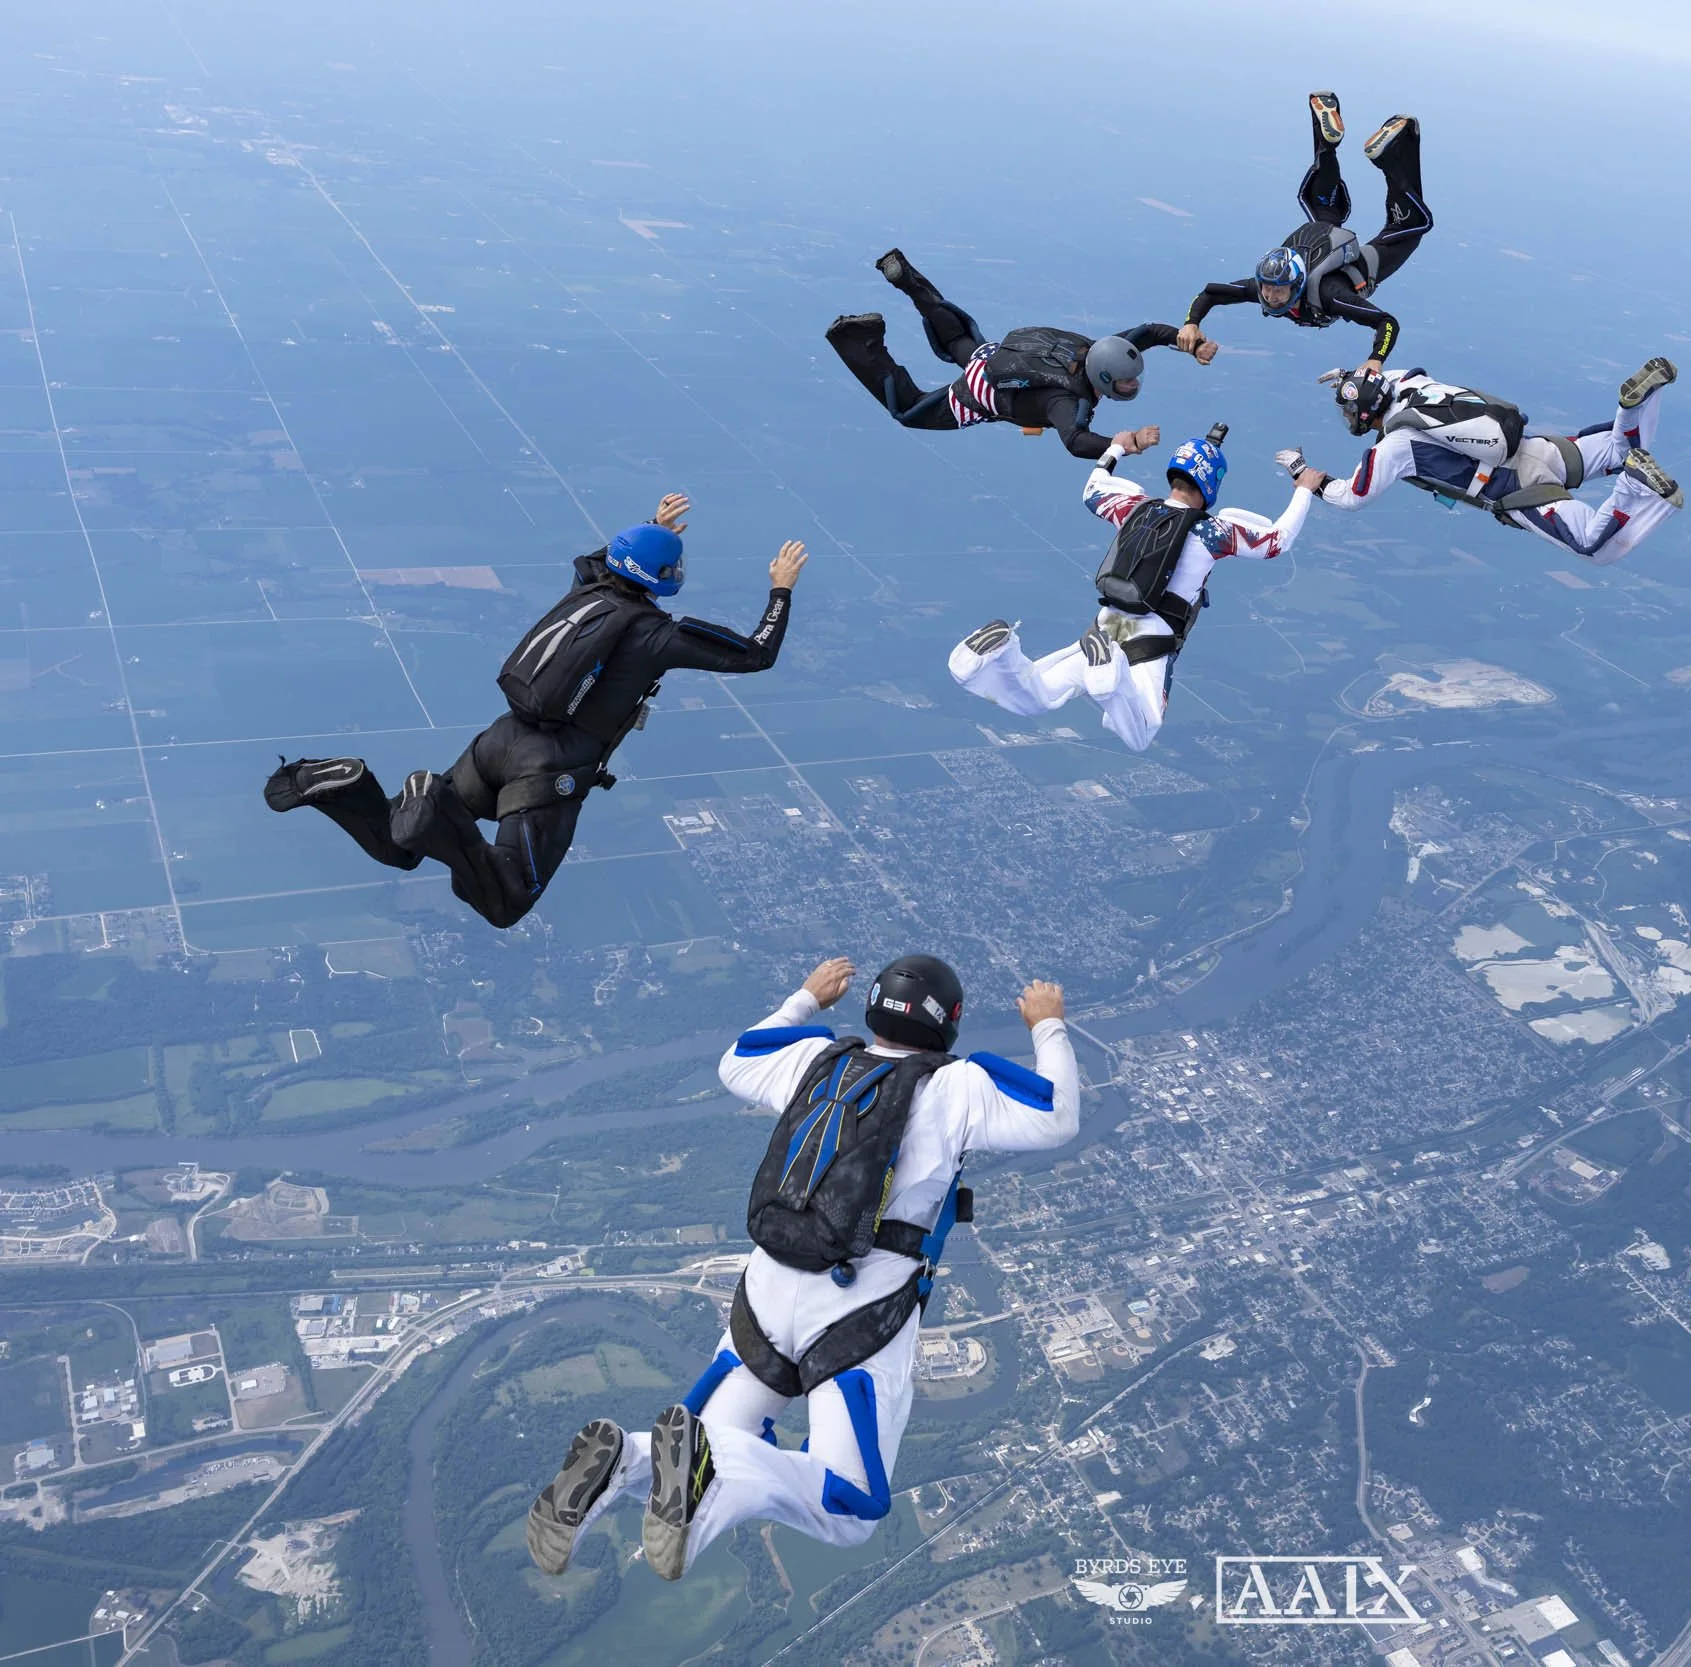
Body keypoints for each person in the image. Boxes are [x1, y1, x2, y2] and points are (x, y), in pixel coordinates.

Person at [524, 953, 1081, 1581]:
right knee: (849, 1506)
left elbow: (738, 1058)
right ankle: (698, 1475)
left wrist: (806, 1000)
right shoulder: (957, 1087)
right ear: (947, 1023)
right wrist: (1048, 1024)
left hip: (766, 1290)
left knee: (706, 1453)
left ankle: (625, 1457)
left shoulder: (816, 1060)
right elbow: (1058, 1114)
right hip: (858, 1311)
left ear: (873, 1007)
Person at [263, 495, 805, 928]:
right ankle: (433, 806)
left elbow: (599, 561)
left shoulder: (586, 591)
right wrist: (780, 589)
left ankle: (349, 785)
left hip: (499, 740)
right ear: (663, 577)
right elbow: (756, 653)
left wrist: (649, 528)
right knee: (507, 900)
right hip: (551, 768)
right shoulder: (657, 635)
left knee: (398, 845)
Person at [948, 426, 1324, 752]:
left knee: (1037, 696)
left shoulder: (1135, 507)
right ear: (1211, 483)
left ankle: (999, 652)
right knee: (1142, 731)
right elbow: (1277, 541)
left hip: (1106, 625)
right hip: (1149, 640)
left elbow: (1092, 490)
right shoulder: (1213, 531)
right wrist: (1304, 489)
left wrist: (1115, 450)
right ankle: (1108, 677)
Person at [1281, 357, 1684, 565]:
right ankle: (1636, 405)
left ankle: (1634, 485)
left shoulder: (1393, 447)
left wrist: (1309, 478)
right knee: (1621, 449)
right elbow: (1392, 375)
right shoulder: (1410, 386)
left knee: (1594, 547)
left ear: (1367, 413)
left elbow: (1355, 495)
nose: (1349, 419)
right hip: (1533, 448)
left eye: (1351, 412)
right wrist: (1354, 376)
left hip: (1517, 491)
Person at [824, 249, 1216, 460]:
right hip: (979, 394)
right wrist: (1125, 442)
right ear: (1104, 379)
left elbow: (1145, 333)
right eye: (1128, 381)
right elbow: (1076, 442)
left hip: (995, 355)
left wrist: (1191, 344)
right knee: (907, 412)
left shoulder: (1097, 348)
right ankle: (857, 337)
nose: (1133, 384)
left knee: (958, 337)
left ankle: (907, 279)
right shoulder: (1068, 402)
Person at [1176, 93, 1428, 375]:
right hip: (1320, 236)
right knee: (1325, 209)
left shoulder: (1331, 295)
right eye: (1267, 287)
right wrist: (1192, 321)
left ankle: (1391, 157)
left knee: (1408, 227)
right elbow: (1211, 293)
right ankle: (1326, 143)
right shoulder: (1260, 288)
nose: (1270, 296)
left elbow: (1387, 322)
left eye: (1277, 289)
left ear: (1296, 284)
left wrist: (1376, 359)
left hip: (1357, 267)